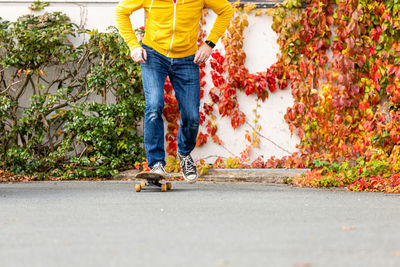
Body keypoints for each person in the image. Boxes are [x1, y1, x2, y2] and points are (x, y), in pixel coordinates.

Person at [115, 0, 233, 183]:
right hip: (153, 55)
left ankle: (184, 154)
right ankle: (156, 165)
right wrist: (133, 45)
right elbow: (121, 12)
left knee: (192, 115)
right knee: (154, 105)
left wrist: (209, 44)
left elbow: (225, 10)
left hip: (187, 58)